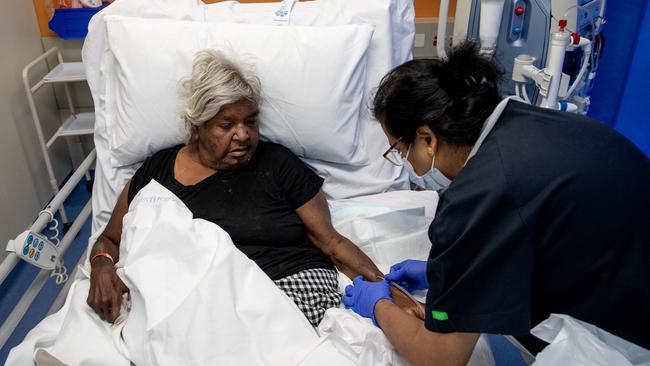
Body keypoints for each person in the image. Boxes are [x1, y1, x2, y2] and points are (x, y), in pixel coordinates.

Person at [343, 41, 650, 365]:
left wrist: (380, 308)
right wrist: (443, 274)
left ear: (428, 139)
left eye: (399, 152)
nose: (406, 164)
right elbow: (534, 227)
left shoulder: (480, 196)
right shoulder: (522, 119)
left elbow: (440, 358)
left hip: (627, 340)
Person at [86, 49, 390, 327]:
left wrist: (386, 294)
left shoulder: (277, 164)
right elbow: (110, 240)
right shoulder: (156, 173)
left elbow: (332, 243)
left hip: (294, 287)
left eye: (250, 122)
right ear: (197, 126)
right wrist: (101, 266)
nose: (243, 135)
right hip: (202, 302)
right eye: (226, 124)